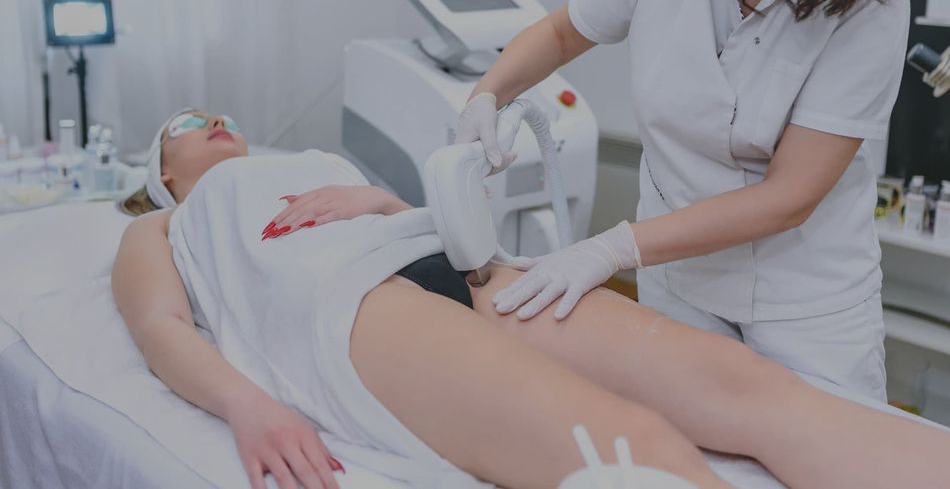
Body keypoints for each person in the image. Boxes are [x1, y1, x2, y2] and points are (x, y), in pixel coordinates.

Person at [113, 110, 950, 489]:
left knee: (749, 388)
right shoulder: (167, 227)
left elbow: (431, 222)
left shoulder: (315, 164)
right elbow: (159, 326)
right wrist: (248, 406)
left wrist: (387, 205)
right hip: (344, 304)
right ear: (165, 175)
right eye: (187, 121)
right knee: (625, 444)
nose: (215, 119)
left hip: (449, 260)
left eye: (221, 111)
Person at [452, 0, 931, 402]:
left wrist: (610, 249)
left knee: (822, 456)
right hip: (676, 276)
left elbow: (788, 197)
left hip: (802, 299)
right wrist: (486, 95)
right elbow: (561, 33)